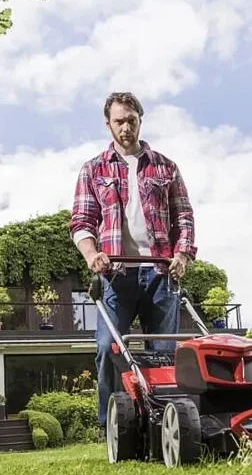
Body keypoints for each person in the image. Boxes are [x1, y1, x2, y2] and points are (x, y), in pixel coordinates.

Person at [69, 92, 198, 429]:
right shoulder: (93, 169)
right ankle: (111, 425)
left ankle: (167, 422)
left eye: (131, 120)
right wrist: (91, 254)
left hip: (160, 272)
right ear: (108, 124)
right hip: (115, 273)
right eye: (119, 121)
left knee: (164, 353)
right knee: (107, 348)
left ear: (140, 120)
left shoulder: (165, 167)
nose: (125, 127)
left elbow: (184, 216)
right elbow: (82, 221)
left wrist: (182, 254)